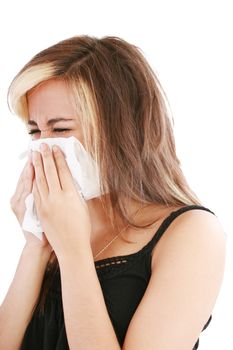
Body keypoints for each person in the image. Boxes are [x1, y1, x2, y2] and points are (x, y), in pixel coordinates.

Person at [0, 35, 226, 350]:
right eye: (34, 130)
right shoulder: (59, 225)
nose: (42, 146)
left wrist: (73, 252)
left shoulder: (192, 233)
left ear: (120, 130)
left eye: (61, 129)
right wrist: (36, 246)